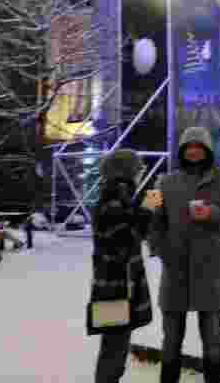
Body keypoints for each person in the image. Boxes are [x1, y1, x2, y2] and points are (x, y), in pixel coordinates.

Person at [152, 127, 220, 383]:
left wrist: (213, 213)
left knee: (212, 341)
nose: (193, 151)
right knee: (171, 341)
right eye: (188, 146)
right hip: (175, 269)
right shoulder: (164, 182)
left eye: (199, 146)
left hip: (209, 270)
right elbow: (152, 221)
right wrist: (161, 251)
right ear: (182, 151)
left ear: (207, 150)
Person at [87, 149, 162, 382]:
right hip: (115, 287)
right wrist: (147, 211)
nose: (141, 175)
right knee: (114, 349)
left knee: (116, 346)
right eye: (138, 170)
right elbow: (124, 242)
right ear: (126, 173)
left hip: (116, 284)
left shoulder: (120, 197)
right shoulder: (113, 199)